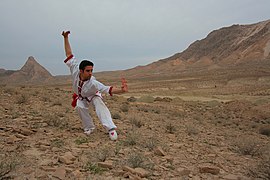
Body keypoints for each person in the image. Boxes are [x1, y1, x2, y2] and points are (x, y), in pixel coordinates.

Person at [62, 31, 128, 140]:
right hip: (81, 96)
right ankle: (89, 127)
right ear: (81, 70)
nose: (90, 73)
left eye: (92, 70)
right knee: (79, 107)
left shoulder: (93, 82)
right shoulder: (74, 69)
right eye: (88, 70)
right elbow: (69, 54)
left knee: (100, 105)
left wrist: (122, 90)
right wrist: (65, 38)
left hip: (93, 96)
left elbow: (107, 89)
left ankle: (111, 129)